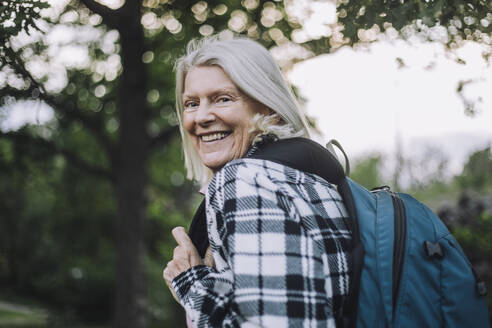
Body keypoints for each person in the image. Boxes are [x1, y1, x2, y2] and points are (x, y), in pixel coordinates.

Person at [163, 33, 352, 327]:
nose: (200, 117)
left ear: (270, 110)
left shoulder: (246, 180)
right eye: (191, 103)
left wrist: (190, 283)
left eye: (222, 99)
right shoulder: (305, 179)